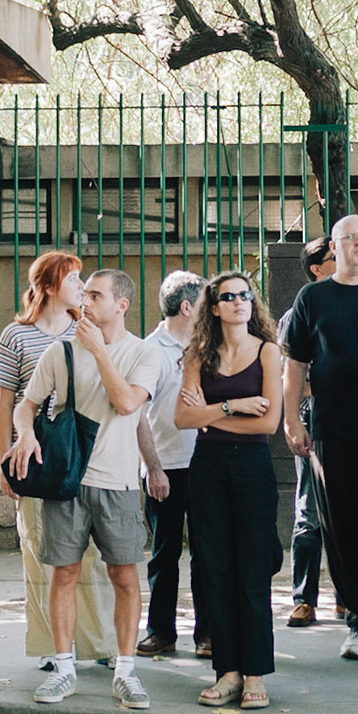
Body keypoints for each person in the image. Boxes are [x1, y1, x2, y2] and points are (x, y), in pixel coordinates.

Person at [7, 270, 163, 710]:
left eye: (96, 295)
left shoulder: (142, 353)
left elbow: (128, 403)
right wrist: (26, 434)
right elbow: (26, 404)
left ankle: (127, 672)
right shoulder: (61, 351)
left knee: (125, 577)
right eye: (86, 294)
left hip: (119, 484)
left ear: (122, 305)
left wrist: (98, 351)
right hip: (68, 482)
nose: (86, 302)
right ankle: (64, 668)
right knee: (64, 575)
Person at [0, 252, 117, 667]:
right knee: (40, 552)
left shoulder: (90, 330)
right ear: (47, 286)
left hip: (83, 453)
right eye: (73, 278)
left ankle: (98, 644)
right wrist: (3, 460)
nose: (81, 286)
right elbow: (5, 402)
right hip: (36, 454)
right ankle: (51, 646)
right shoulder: (17, 335)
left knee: (91, 555)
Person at [282, 215, 358, 660]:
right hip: (333, 431)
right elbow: (295, 365)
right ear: (334, 246)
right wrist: (292, 420)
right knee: (342, 531)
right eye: (348, 239)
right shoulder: (313, 297)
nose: (357, 245)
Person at [177, 272, 283, 710]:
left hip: (252, 466)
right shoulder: (198, 354)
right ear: (214, 307)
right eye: (229, 297)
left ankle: (255, 671)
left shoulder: (269, 352)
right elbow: (182, 420)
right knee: (215, 568)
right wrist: (232, 405)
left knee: (252, 569)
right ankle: (228, 672)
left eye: (245, 295)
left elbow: (269, 423)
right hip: (208, 467)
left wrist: (209, 414)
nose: (240, 302)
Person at [137, 270, 205, 657]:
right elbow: (138, 416)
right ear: (185, 307)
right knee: (164, 554)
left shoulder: (205, 346)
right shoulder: (152, 350)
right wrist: (154, 467)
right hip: (167, 467)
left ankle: (207, 632)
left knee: (205, 552)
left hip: (205, 465)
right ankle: (160, 631)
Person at [277, 238, 334, 627]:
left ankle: (348, 596)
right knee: (309, 510)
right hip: (313, 416)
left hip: (351, 417)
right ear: (316, 268)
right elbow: (288, 375)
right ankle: (304, 598)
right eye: (334, 258)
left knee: (348, 510)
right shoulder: (299, 312)